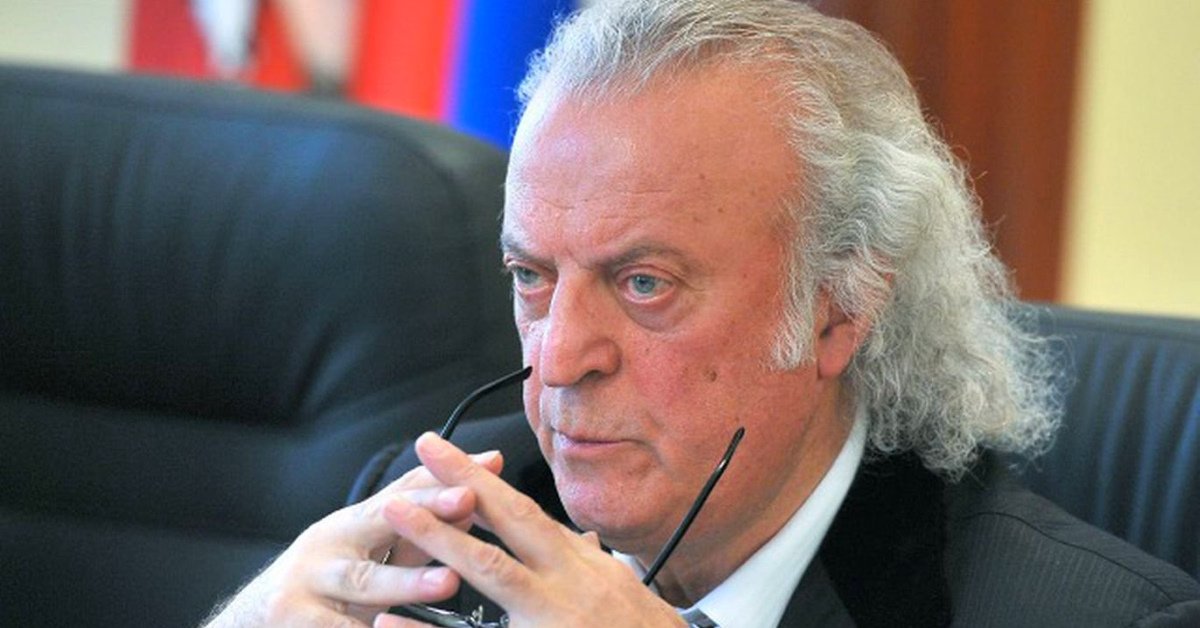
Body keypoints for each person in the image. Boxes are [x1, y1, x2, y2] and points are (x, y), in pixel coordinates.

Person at [204, 1, 1200, 626]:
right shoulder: (440, 525)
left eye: (645, 283)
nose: (560, 359)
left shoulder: (1092, 617)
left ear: (839, 309)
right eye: (531, 275)